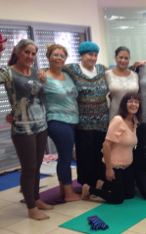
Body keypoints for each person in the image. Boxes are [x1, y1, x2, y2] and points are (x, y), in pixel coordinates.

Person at [0, 39, 52, 220]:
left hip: (41, 126)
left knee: (37, 166)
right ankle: (31, 207)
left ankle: (36, 199)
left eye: (33, 53)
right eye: (26, 52)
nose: (30, 56)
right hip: (22, 129)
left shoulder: (35, 72)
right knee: (29, 168)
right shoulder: (7, 72)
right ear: (18, 53)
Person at [39, 41, 109, 190]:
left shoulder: (102, 69)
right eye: (90, 54)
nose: (93, 58)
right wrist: (40, 71)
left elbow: (117, 75)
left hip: (102, 121)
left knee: (100, 154)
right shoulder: (71, 69)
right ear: (82, 55)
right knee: (84, 156)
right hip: (82, 122)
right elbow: (53, 67)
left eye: (96, 55)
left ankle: (100, 183)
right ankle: (86, 185)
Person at [82, 93, 142, 204]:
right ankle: (89, 189)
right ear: (125, 104)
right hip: (114, 165)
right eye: (130, 101)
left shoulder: (134, 122)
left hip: (127, 165)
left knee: (129, 194)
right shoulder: (118, 120)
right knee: (118, 199)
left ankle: (103, 184)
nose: (133, 104)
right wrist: (109, 168)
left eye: (136, 102)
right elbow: (106, 145)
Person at [41, 44, 80, 202]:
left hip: (72, 120)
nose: (59, 58)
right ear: (49, 56)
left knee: (64, 157)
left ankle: (63, 191)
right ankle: (69, 194)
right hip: (57, 121)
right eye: (55, 55)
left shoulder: (66, 74)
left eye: (62, 56)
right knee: (65, 158)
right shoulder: (43, 76)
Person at [106, 46, 139, 121]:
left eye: (126, 58)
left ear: (129, 59)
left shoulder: (135, 75)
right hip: (115, 114)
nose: (123, 61)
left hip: (131, 116)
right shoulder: (107, 74)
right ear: (115, 58)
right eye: (120, 57)